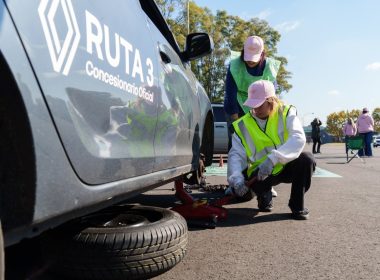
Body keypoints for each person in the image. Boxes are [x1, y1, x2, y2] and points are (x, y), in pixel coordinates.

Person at [226, 80, 315, 220]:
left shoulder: (285, 113)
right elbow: (236, 154)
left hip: (285, 166)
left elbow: (298, 138)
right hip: (260, 174)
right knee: (244, 194)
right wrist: (236, 178)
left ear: (271, 101)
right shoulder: (243, 125)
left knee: (306, 160)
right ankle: (263, 195)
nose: (255, 109)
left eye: (259, 104)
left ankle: (297, 206)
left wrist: (273, 159)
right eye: (252, 105)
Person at [223, 35, 281, 151]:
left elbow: (272, 94)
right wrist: (236, 118)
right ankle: (236, 168)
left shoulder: (269, 67)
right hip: (236, 103)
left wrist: (270, 113)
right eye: (248, 56)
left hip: (260, 105)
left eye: (254, 57)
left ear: (262, 53)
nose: (250, 61)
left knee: (257, 139)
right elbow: (230, 92)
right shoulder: (235, 65)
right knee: (237, 139)